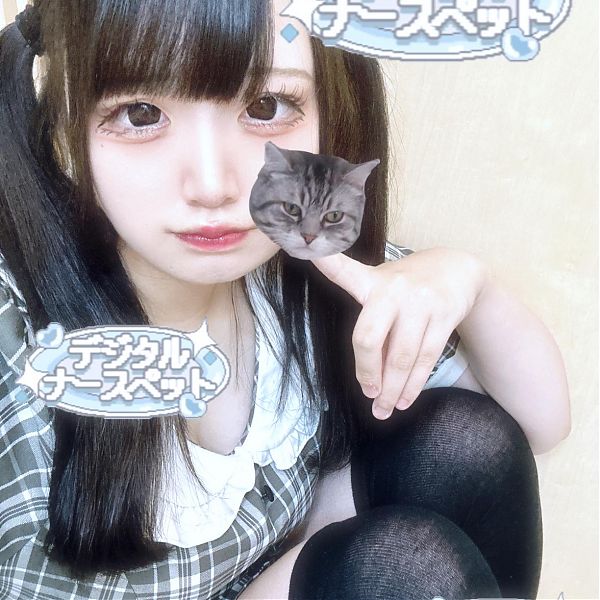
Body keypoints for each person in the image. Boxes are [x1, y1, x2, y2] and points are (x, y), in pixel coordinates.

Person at [0, 1, 571, 599]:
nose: (213, 185)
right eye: (140, 114)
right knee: (407, 571)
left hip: (260, 579)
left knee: (462, 442)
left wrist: (469, 281)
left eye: (266, 107)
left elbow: (540, 424)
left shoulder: (298, 268)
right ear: (62, 126)